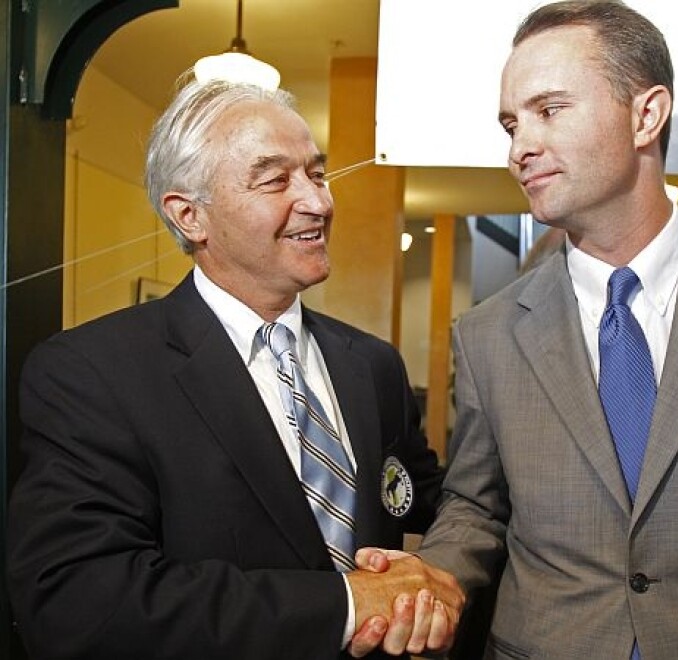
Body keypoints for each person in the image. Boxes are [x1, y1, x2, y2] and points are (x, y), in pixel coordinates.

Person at [364, 1, 678, 657]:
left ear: (646, 115)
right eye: (510, 123)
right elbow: (475, 507)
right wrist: (435, 576)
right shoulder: (488, 333)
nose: (520, 146)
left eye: (549, 111)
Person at [6, 75, 464, 659]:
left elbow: (428, 502)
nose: (319, 202)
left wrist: (428, 584)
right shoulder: (91, 374)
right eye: (276, 180)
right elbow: (78, 601)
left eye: (317, 174)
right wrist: (349, 604)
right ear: (190, 216)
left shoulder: (372, 366)